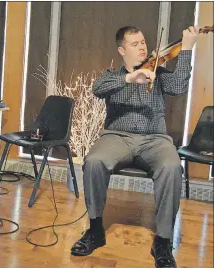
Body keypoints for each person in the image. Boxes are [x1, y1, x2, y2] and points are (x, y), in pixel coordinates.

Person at [70, 25, 199, 268]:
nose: (142, 46)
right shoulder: (112, 76)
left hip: (155, 140)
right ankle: (95, 230)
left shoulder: (158, 73)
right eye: (135, 44)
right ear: (122, 50)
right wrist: (130, 78)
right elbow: (97, 89)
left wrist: (188, 48)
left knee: (172, 167)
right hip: (117, 137)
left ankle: (163, 241)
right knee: (94, 161)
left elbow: (179, 87)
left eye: (143, 42)